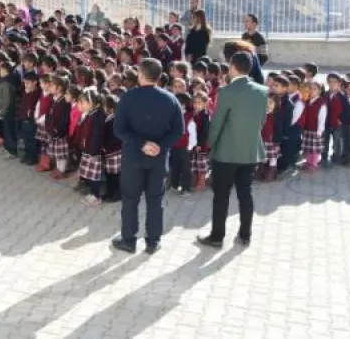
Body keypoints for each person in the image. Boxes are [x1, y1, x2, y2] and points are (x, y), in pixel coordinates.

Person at [112, 58, 184, 255]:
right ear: (160, 76)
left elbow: (119, 129)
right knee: (155, 200)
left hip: (133, 158)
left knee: (130, 199)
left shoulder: (128, 97)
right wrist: (160, 146)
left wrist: (142, 144)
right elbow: (179, 131)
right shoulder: (171, 99)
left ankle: (129, 240)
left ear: (140, 75)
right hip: (158, 159)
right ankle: (153, 242)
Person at [197, 51, 268, 249]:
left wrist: (210, 143)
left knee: (221, 196)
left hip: (226, 152)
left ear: (233, 67)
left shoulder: (226, 91)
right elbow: (262, 121)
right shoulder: (262, 90)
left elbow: (217, 122)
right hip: (250, 151)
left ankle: (217, 237)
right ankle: (245, 235)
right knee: (246, 193)